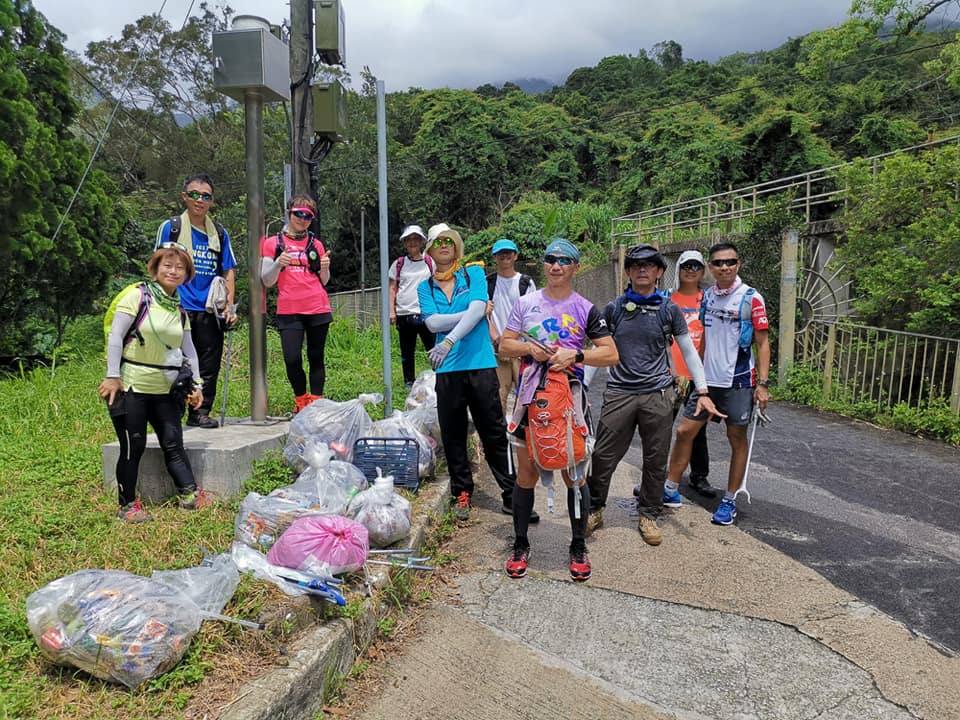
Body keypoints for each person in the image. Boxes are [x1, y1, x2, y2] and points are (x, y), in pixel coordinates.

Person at [584, 244, 720, 546]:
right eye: (635, 265)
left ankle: (648, 513)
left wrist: (703, 390)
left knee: (656, 458)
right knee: (604, 455)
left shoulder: (668, 309)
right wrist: (579, 385)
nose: (642, 269)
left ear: (659, 271)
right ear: (628, 272)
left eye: (649, 265)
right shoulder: (614, 308)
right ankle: (594, 508)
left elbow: (688, 350)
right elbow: (599, 350)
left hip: (657, 393)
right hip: (619, 392)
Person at [498, 239, 618, 581]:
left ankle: (578, 545)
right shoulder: (525, 304)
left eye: (564, 260)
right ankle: (520, 543)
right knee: (525, 475)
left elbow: (610, 353)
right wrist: (529, 350)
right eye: (550, 259)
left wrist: (576, 355)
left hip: (569, 403)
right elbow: (505, 344)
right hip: (529, 400)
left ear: (575, 267)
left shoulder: (586, 308)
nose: (555, 265)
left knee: (575, 475)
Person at [416, 223, 535, 523]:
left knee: (494, 432)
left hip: (480, 364)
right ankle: (462, 492)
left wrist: (450, 336)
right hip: (448, 369)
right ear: (429, 251)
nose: (443, 245)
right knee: (453, 434)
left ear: (456, 246)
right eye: (437, 242)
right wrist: (472, 314)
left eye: (449, 241)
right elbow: (432, 324)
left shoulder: (474, 274)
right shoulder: (424, 286)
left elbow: (477, 307)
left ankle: (512, 495)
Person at [666, 241, 770, 526]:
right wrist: (697, 377)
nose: (725, 267)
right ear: (710, 268)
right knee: (685, 431)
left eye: (730, 262)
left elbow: (763, 343)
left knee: (736, 439)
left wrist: (762, 384)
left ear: (738, 264)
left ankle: (729, 500)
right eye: (719, 263)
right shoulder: (708, 298)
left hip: (738, 383)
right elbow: (705, 341)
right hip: (707, 384)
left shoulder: (751, 298)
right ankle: (670, 489)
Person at [99, 244, 205, 523]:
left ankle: (189, 494)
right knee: (133, 446)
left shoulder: (179, 309)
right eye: (167, 266)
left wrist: (197, 385)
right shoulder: (138, 297)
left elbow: (190, 351)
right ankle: (127, 505)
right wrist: (113, 376)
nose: (173, 271)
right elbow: (115, 337)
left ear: (186, 274)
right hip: (133, 387)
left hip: (166, 390)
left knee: (173, 442)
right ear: (155, 269)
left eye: (180, 267)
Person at [155, 173, 237, 428]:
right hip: (178, 307)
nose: (199, 200)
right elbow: (158, 264)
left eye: (205, 196)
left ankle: (200, 412)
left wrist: (229, 306)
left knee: (209, 364)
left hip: (209, 308)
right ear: (184, 197)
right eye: (194, 194)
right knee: (175, 362)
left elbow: (228, 270)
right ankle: (172, 412)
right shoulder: (172, 227)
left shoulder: (219, 233)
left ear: (212, 201)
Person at [260, 195, 333, 413]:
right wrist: (277, 265)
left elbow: (324, 280)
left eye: (308, 216)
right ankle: (301, 400)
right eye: (298, 214)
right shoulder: (273, 243)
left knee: (315, 356)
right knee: (292, 358)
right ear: (289, 212)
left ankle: (317, 403)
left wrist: (325, 267)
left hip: (317, 306)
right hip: (289, 309)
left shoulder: (315, 244)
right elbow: (266, 280)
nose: (302, 219)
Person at [666, 249, 716, 498]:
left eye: (696, 266)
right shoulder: (667, 298)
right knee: (661, 427)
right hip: (670, 375)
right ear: (679, 269)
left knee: (696, 430)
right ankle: (658, 476)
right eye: (686, 266)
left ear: (702, 270)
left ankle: (699, 476)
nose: (691, 270)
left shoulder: (709, 299)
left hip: (700, 378)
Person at [486, 238, 536, 415]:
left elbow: (532, 316)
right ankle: (500, 438)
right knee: (499, 396)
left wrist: (518, 344)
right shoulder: (488, 283)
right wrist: (497, 339)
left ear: (515, 256)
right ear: (495, 257)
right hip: (497, 350)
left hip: (521, 350)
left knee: (527, 396)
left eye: (508, 252)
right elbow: (484, 316)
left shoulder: (526, 282)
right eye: (501, 253)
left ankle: (524, 435)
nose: (505, 256)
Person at [388, 225, 436, 387]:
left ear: (421, 241)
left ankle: (440, 377)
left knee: (434, 348)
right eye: (409, 239)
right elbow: (392, 288)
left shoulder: (430, 262)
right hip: (404, 313)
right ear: (405, 243)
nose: (412, 243)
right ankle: (409, 381)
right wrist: (391, 311)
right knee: (407, 351)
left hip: (426, 313)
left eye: (416, 239)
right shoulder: (399, 264)